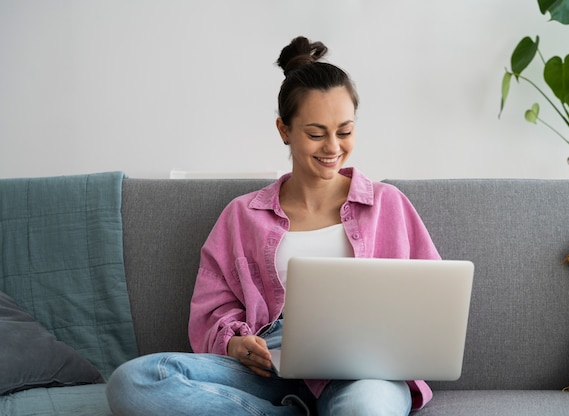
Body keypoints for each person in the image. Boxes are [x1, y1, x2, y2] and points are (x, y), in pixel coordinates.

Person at [106, 36, 441, 416]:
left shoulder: (388, 204)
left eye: (345, 131)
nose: (333, 146)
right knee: (136, 382)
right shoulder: (242, 215)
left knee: (367, 408)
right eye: (316, 133)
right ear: (284, 130)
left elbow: (432, 303)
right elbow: (212, 310)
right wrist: (234, 343)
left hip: (363, 370)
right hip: (268, 366)